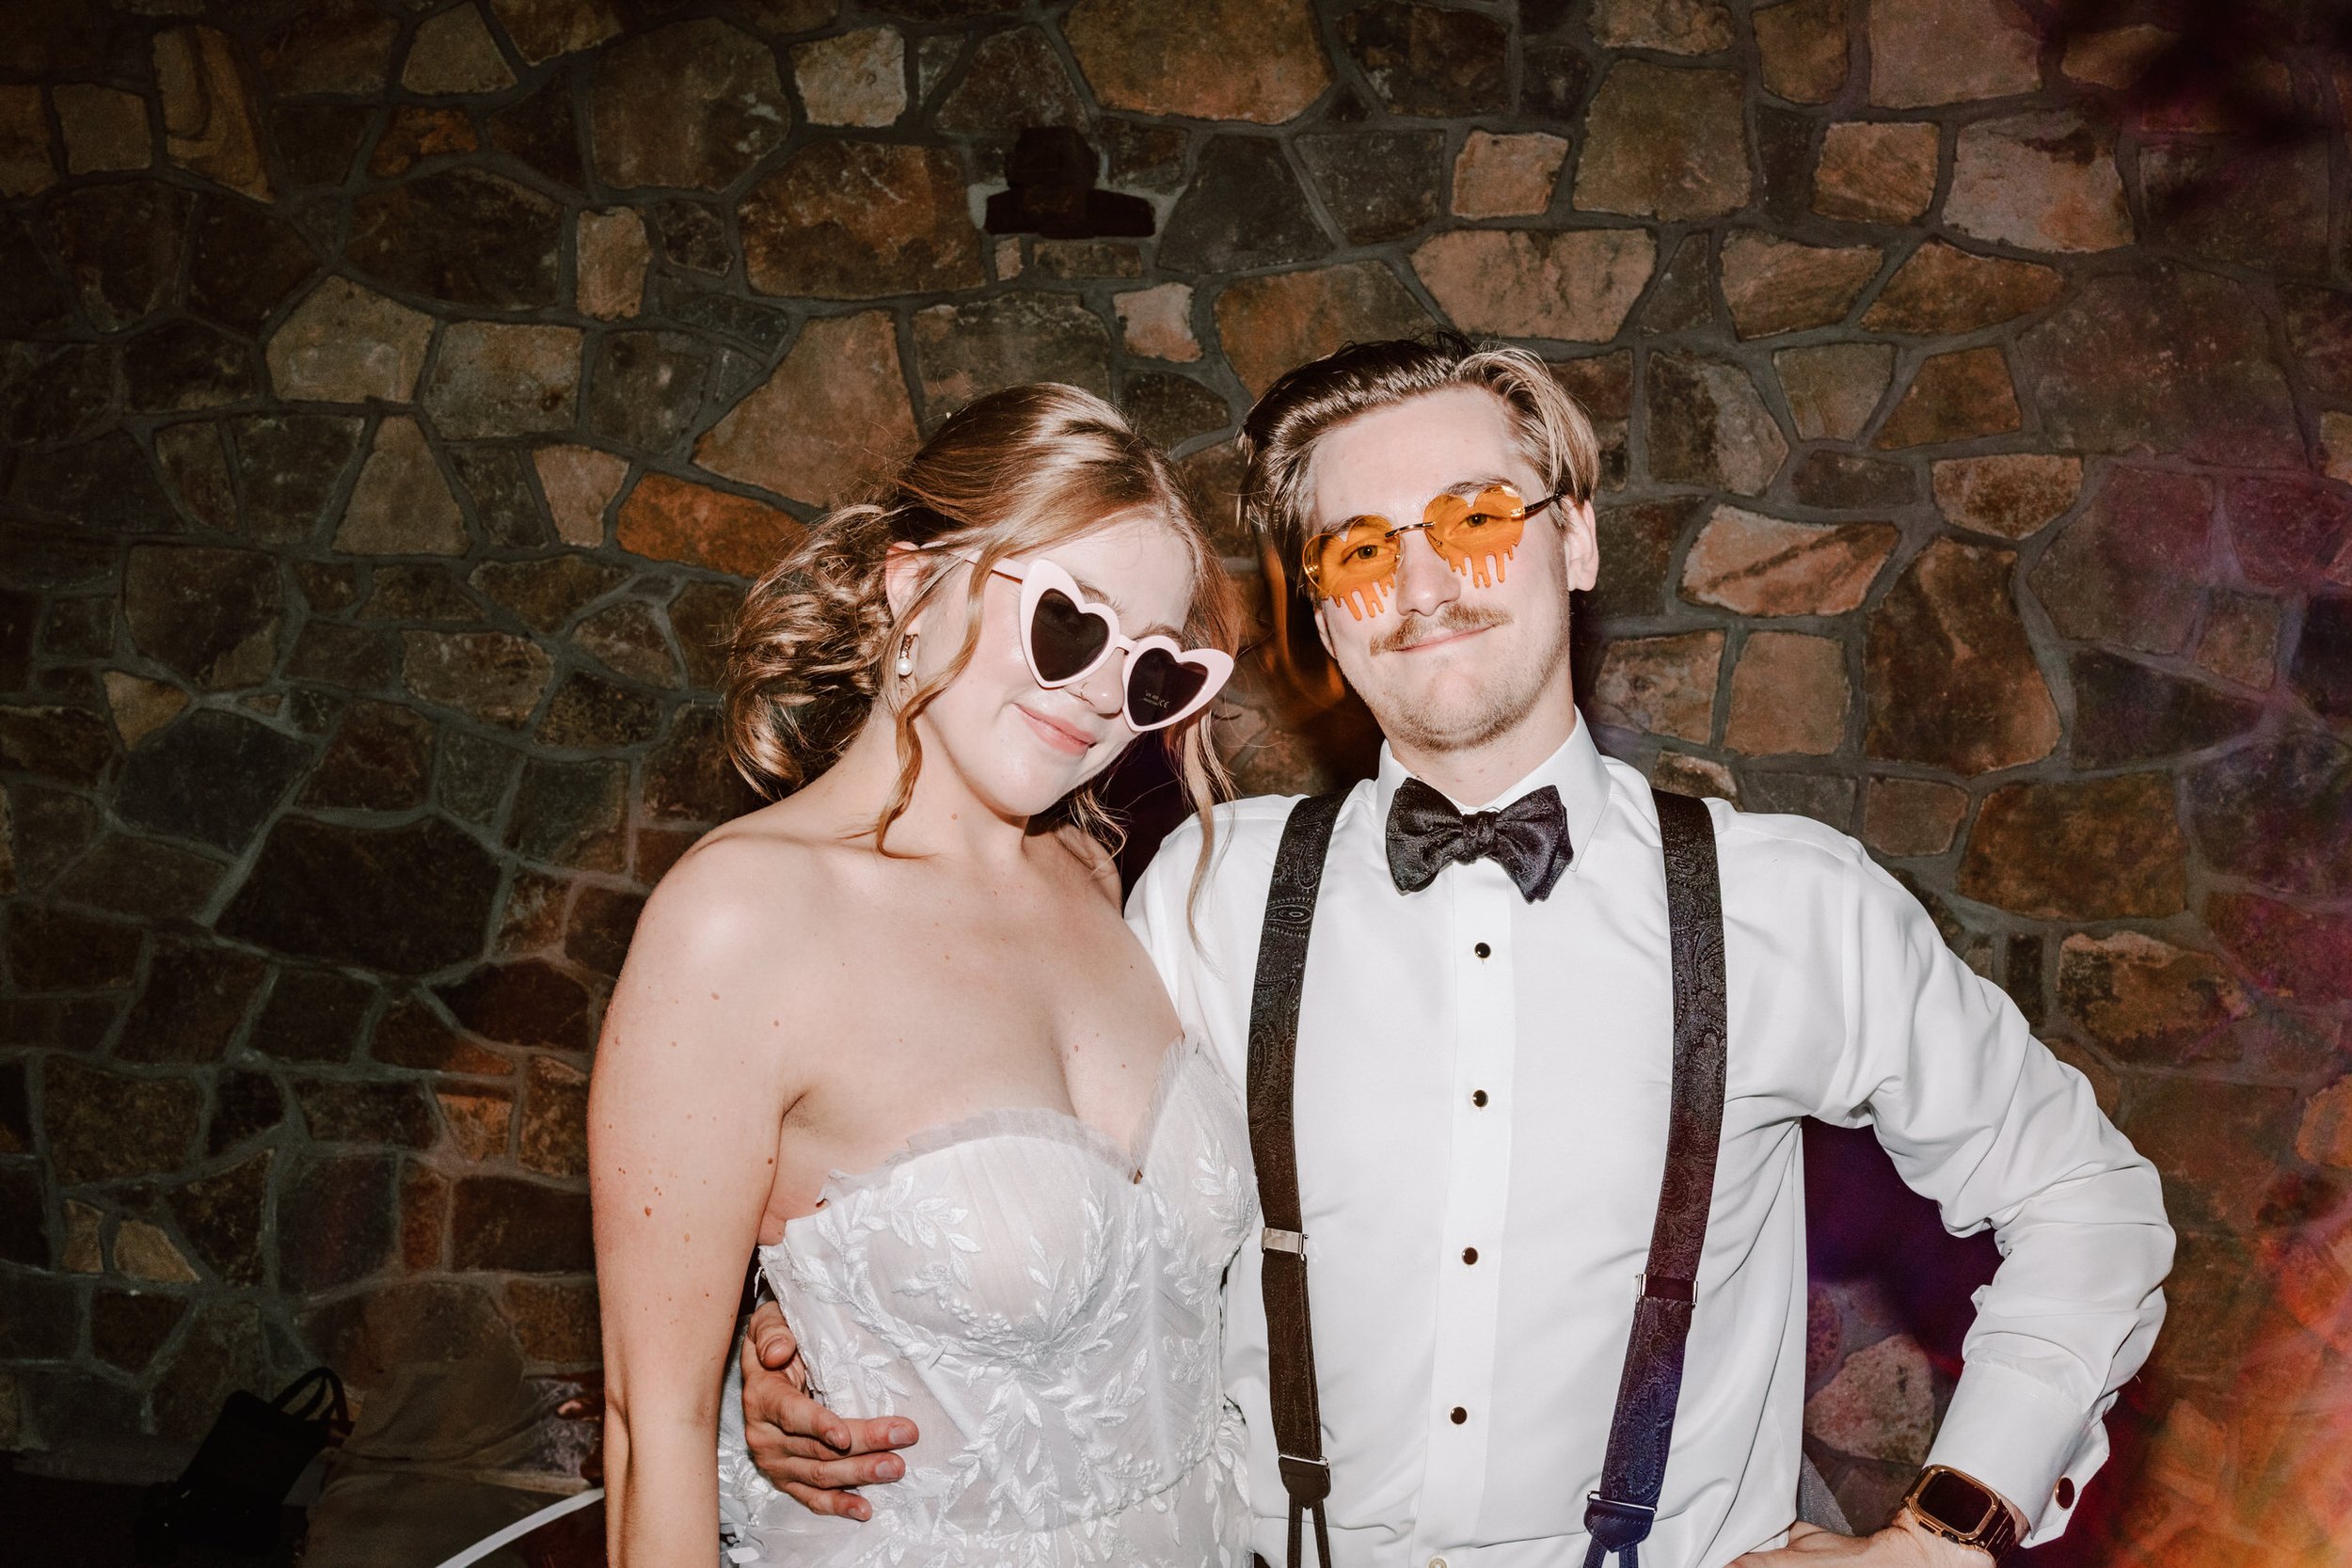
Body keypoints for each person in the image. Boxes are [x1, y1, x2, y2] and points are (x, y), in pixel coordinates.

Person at [736, 334, 2175, 1568]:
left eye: (1478, 516)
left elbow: (2090, 1203)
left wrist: (1948, 1528)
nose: (1426, 584)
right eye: (1361, 548)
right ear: (1316, 603)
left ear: (1577, 535)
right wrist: (822, 1348)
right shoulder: (1203, 894)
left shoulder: (1790, 904)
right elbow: (1021, 1194)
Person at [588, 383, 1255, 1568]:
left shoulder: (1097, 880)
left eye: (1158, 672)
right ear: (911, 585)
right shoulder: (738, 917)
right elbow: (659, 1422)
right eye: (1069, 620)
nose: (1107, 693)